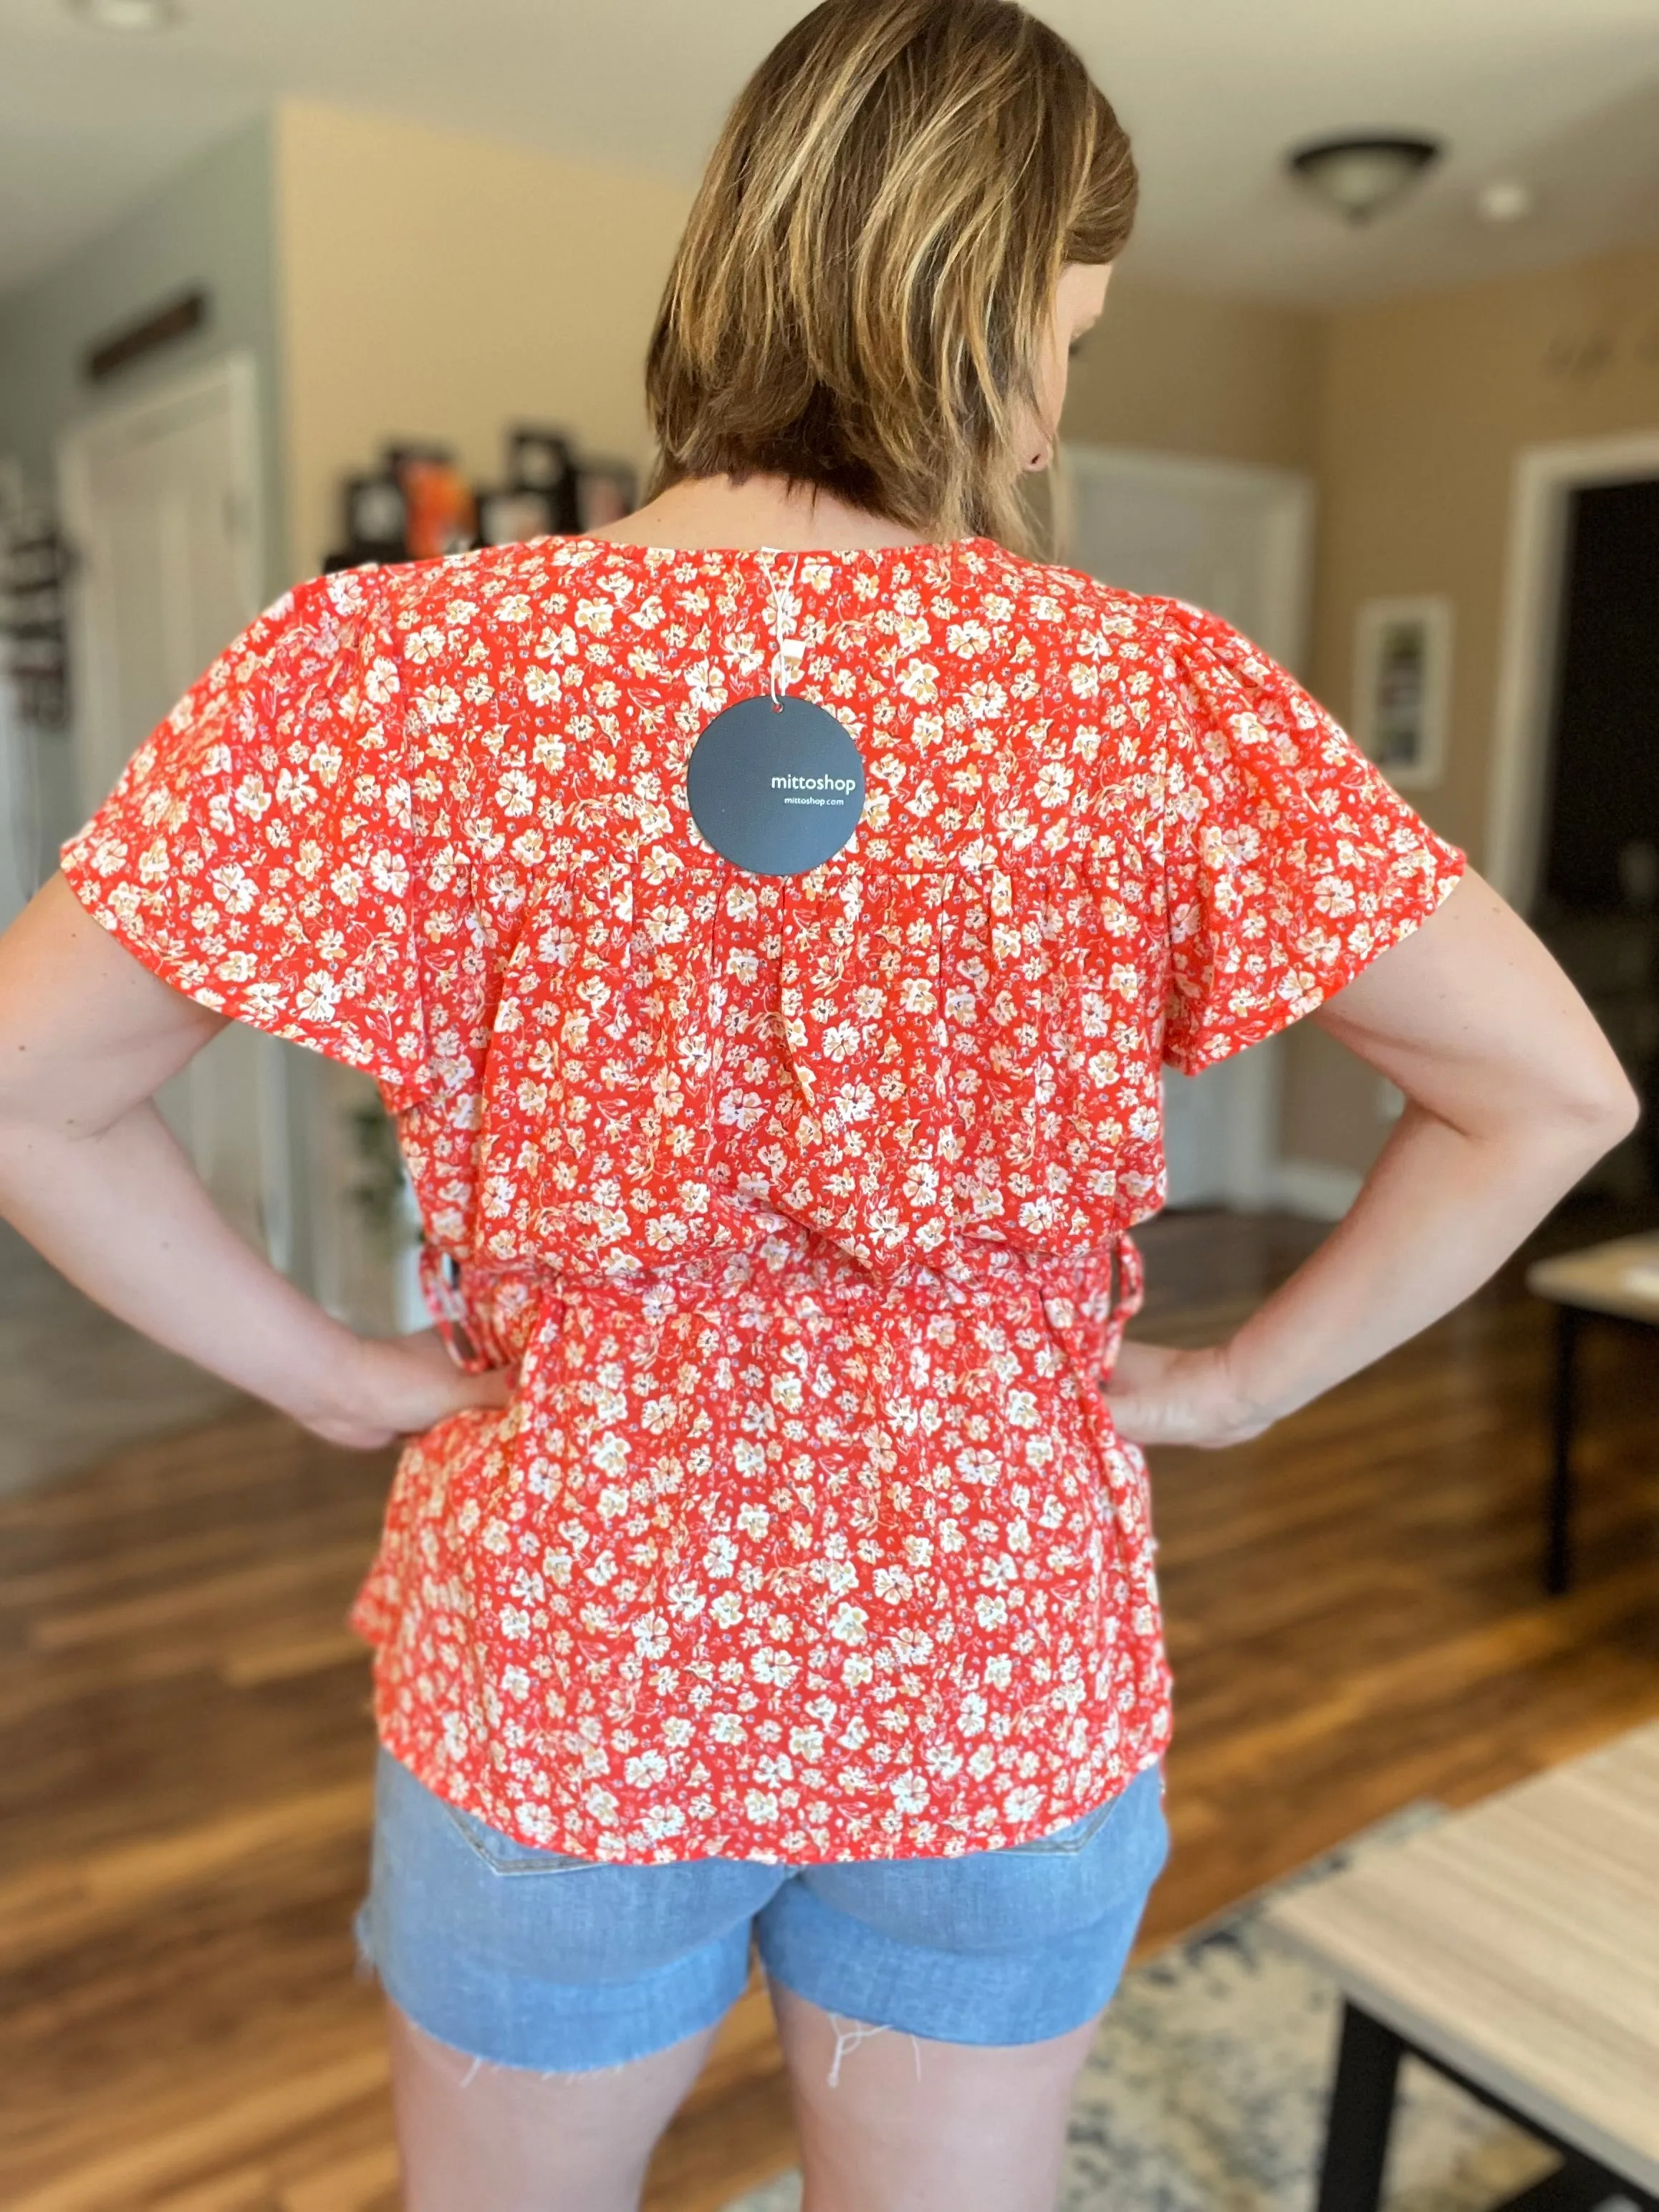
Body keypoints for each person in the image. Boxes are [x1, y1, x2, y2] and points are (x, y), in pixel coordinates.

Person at [0, 1, 1634, 2206]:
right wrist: (1242, 1387)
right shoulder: (1148, 696)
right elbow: (1544, 1092)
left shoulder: (388, 673)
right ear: (979, 310)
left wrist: (315, 1376)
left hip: (566, 1658)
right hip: (995, 1666)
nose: (1057, 406)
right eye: (1068, 330)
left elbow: (32, 1092)